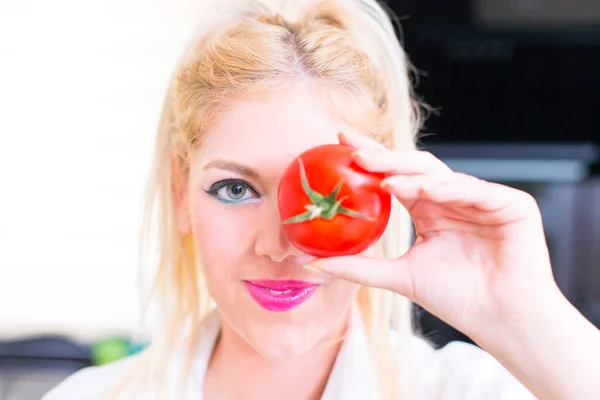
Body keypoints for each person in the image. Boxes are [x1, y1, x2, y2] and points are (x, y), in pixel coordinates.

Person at [43, 0, 600, 399]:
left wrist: (524, 317)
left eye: (329, 194)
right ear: (180, 196)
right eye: (235, 189)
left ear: (386, 202)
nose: (281, 245)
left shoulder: (471, 389)